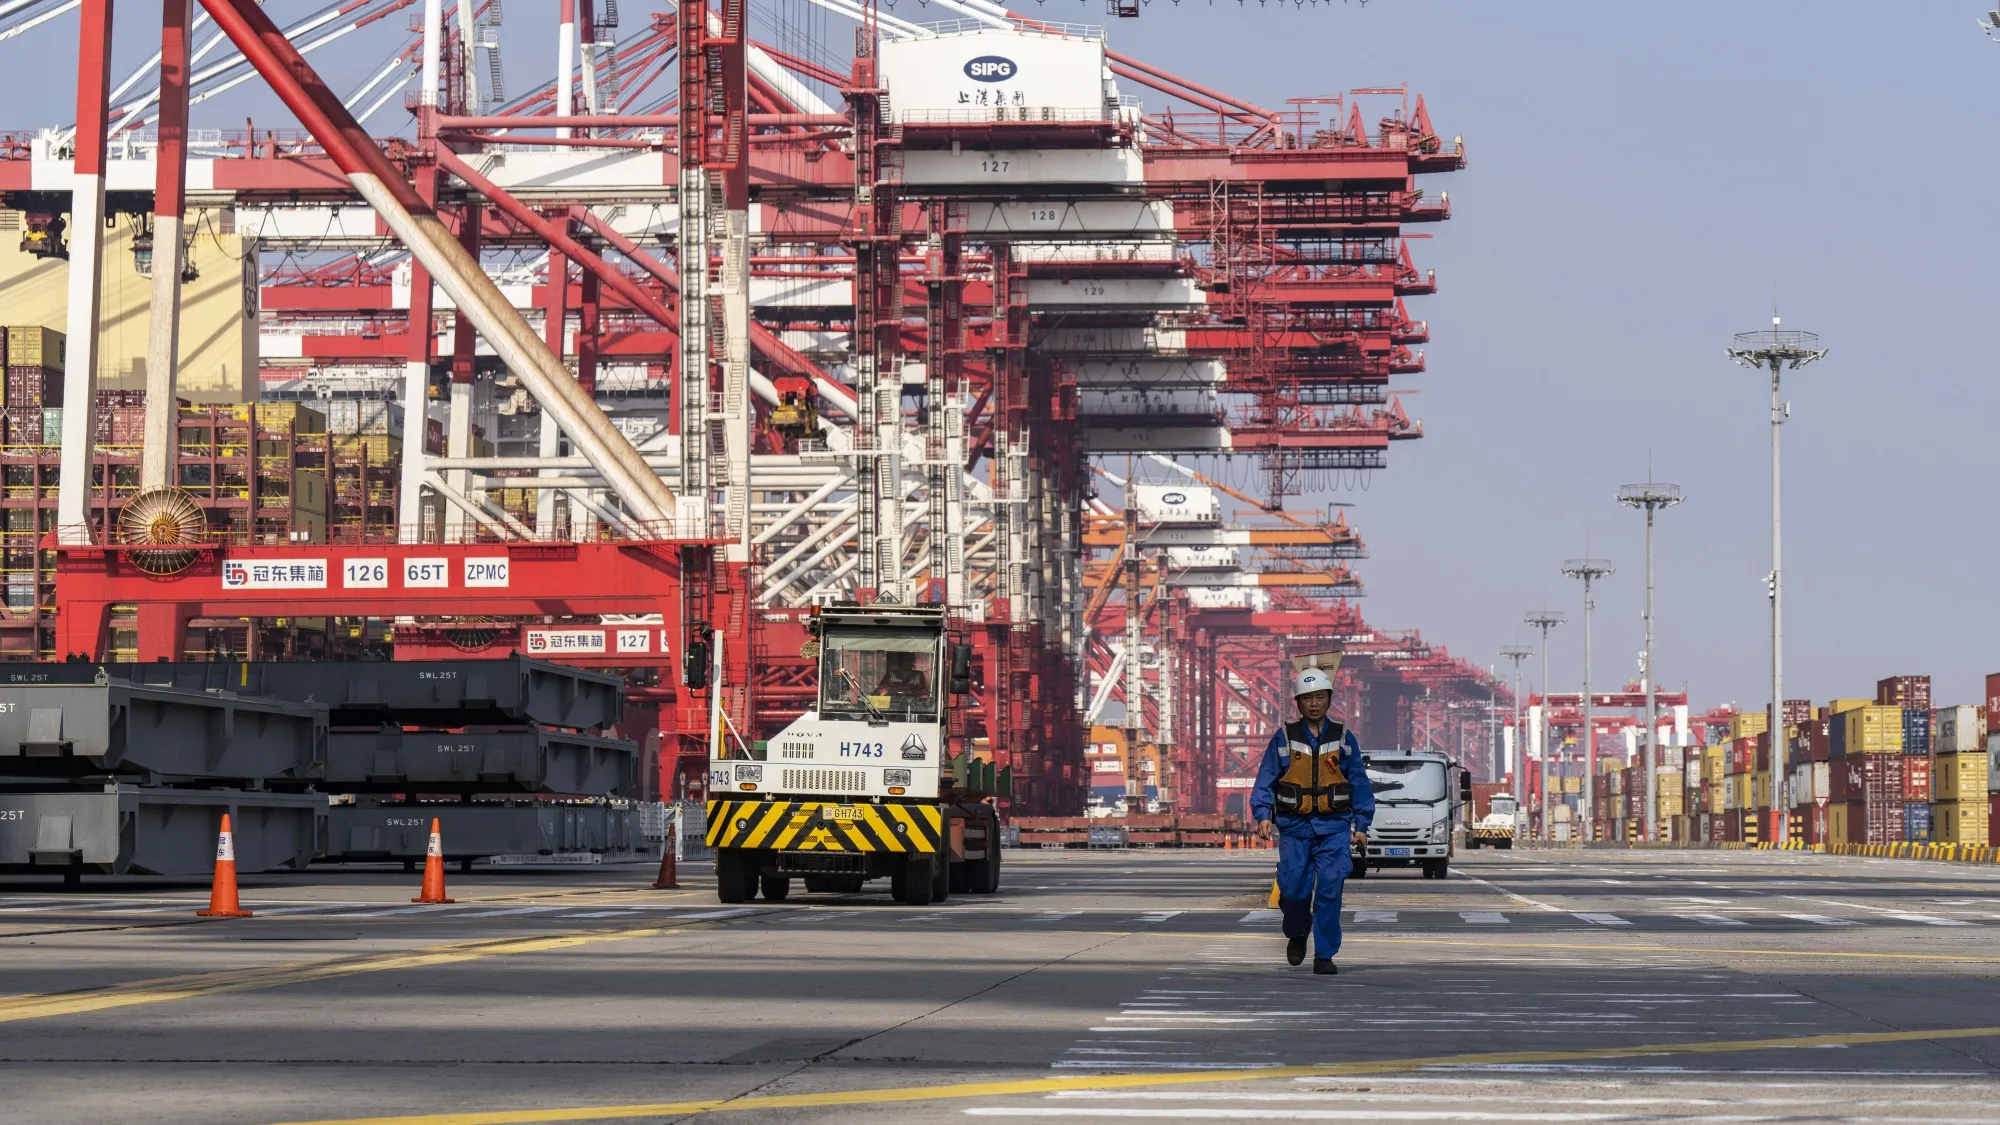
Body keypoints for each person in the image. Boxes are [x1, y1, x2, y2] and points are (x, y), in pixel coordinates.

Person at [1250, 666, 1375, 975]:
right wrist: (1263, 814)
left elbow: (1358, 783)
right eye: (1308, 698)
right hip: (1295, 828)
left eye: (1320, 697)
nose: (1314, 704)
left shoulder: (1344, 738)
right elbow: (1265, 780)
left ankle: (1324, 955)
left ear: (1329, 699)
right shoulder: (1283, 738)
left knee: (1331, 890)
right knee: (1293, 891)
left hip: (1334, 828)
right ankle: (1297, 930)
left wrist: (1361, 826)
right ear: (1298, 703)